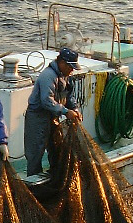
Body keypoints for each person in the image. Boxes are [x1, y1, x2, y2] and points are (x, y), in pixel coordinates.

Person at [24, 47, 82, 177]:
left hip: (52, 116)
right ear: (62, 62)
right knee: (35, 151)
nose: (72, 70)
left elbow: (69, 96)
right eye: (70, 66)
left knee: (56, 147)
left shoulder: (66, 76)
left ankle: (55, 176)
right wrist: (66, 112)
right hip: (37, 117)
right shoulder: (48, 76)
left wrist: (75, 109)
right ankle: (33, 182)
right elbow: (46, 100)